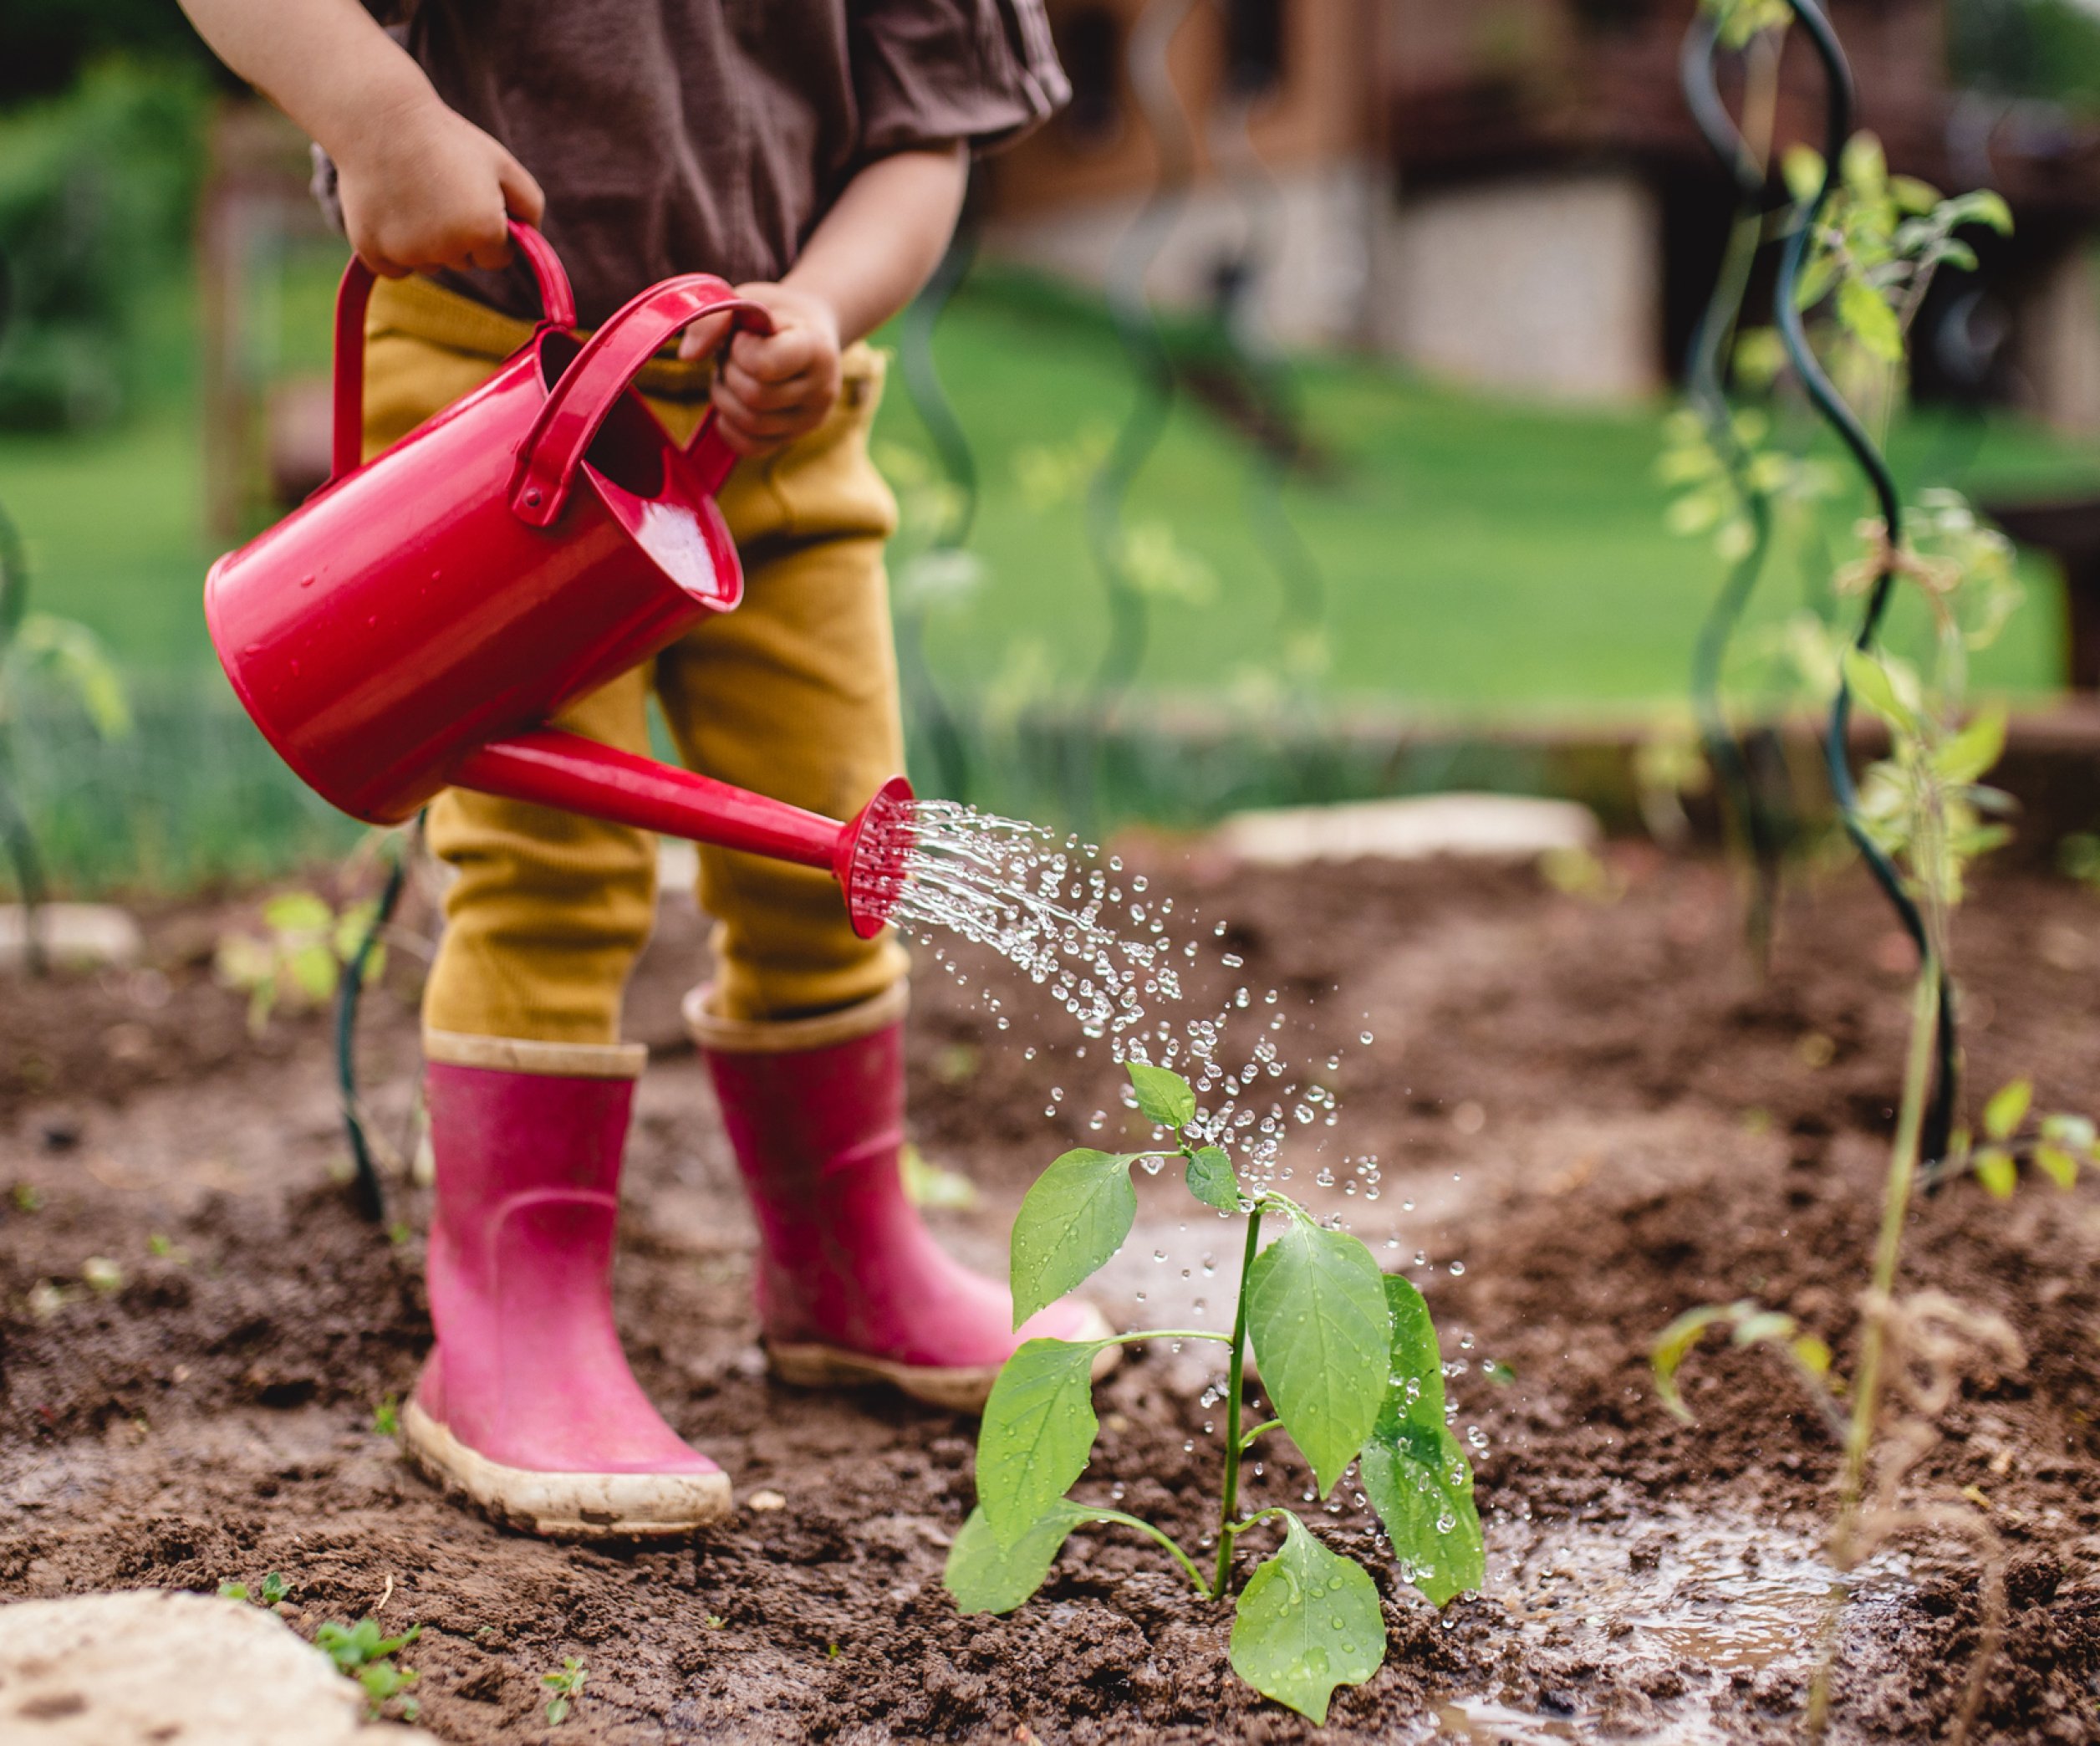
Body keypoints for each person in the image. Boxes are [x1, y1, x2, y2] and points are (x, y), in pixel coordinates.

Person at [178, 0, 1109, 1539]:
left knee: (835, 847)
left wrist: (819, 304)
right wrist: (382, 118)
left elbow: (922, 138)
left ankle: (846, 1255)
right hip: (499, 396)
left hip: (779, 417)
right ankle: (512, 1320)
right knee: (553, 874)